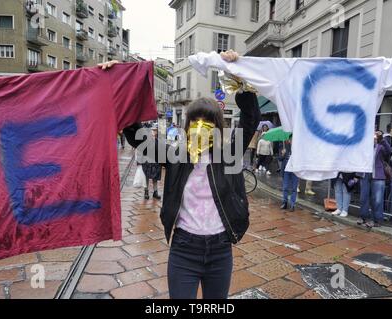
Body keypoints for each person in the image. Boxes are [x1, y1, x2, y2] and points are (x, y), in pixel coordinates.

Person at [102, 50, 261, 299]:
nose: (200, 129)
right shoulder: (177, 156)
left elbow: (250, 120)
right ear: (187, 127)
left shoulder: (229, 155)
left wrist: (238, 73)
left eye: (207, 123)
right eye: (194, 122)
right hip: (184, 249)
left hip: (220, 249)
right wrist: (119, 80)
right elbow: (137, 136)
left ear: (217, 128)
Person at [358, 131, 392, 228]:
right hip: (365, 174)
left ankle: (376, 220)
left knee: (377, 199)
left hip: (378, 175)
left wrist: (382, 139)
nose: (372, 138)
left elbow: (390, 151)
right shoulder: (364, 147)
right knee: (363, 198)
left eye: (374, 137)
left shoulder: (380, 146)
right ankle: (363, 217)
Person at [142, 125, 162, 200]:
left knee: (155, 178)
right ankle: (146, 192)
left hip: (156, 163)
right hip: (147, 162)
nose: (153, 134)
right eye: (152, 132)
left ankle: (155, 192)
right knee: (146, 177)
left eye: (154, 132)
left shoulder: (158, 141)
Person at [280, 136, 298, 212]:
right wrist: (282, 154)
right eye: (290, 139)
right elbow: (280, 159)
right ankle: (284, 202)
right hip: (286, 171)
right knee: (285, 187)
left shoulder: (298, 149)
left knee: (294, 188)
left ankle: (292, 204)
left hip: (295, 171)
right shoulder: (285, 147)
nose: (291, 140)